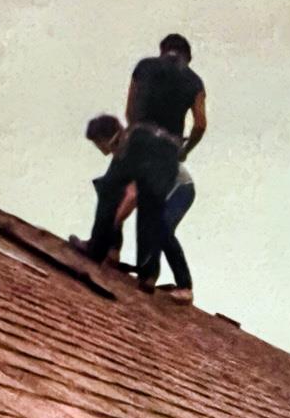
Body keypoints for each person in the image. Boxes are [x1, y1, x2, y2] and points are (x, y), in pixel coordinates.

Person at [85, 34, 206, 294]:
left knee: (111, 189)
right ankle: (148, 274)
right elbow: (200, 124)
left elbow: (130, 107)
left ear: (163, 50)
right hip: (169, 147)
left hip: (143, 136)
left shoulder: (145, 66)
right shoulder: (195, 81)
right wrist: (185, 150)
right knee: (152, 206)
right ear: (187, 57)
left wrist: (136, 131)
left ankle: (97, 249)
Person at [76, 114, 196, 303]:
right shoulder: (120, 155)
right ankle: (113, 251)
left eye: (98, 144)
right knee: (109, 191)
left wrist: (110, 226)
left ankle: (185, 286)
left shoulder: (136, 146)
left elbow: (132, 196)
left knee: (161, 228)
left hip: (179, 188)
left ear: (106, 140)